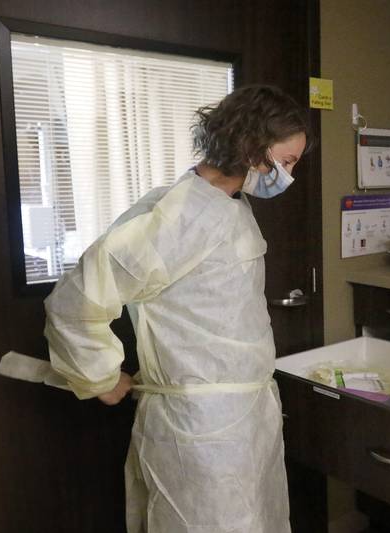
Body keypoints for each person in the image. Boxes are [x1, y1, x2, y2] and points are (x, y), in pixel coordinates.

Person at [43, 84, 309, 533]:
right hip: (200, 431)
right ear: (249, 147)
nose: (287, 176)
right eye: (286, 163)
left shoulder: (231, 205)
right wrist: (98, 377)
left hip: (245, 421)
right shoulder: (178, 216)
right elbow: (76, 300)